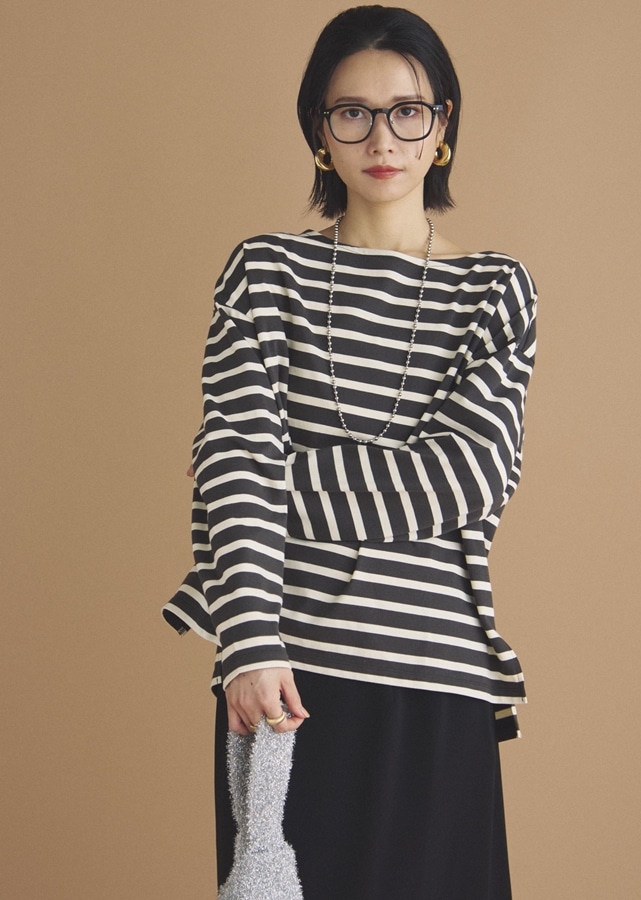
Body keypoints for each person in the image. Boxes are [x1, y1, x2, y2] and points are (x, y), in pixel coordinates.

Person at [164, 6, 537, 899]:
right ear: (318, 130)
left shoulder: (493, 290)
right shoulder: (265, 273)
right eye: (352, 113)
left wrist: (259, 478)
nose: (382, 138)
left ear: (442, 125)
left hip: (436, 678)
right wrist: (248, 641)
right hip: (287, 674)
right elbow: (234, 449)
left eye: (408, 111)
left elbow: (467, 476)